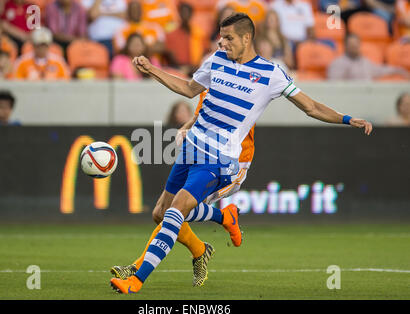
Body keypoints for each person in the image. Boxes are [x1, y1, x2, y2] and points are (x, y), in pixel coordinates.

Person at [110, 13, 373, 294]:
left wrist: (346, 119)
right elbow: (188, 89)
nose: (223, 43)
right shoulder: (216, 59)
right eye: (221, 37)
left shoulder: (271, 74)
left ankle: (136, 280)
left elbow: (310, 106)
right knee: (161, 212)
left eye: (229, 38)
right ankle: (221, 222)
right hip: (191, 148)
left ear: (247, 38)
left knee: (176, 211)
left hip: (218, 159)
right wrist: (151, 69)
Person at [111, 89, 256, 287]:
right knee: (160, 213)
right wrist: (185, 128)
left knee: (176, 210)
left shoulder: (248, 83)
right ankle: (204, 244)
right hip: (200, 154)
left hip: (231, 163)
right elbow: (199, 116)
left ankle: (137, 270)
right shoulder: (214, 78)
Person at [327, 33, 410, 80]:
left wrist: (399, 70)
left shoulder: (365, 62)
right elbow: (335, 86)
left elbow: (381, 70)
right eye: (351, 45)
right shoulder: (337, 64)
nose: (354, 48)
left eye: (356, 45)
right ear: (345, 45)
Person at [164, 2, 206, 76]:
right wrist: (184, 69)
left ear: (191, 14)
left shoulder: (199, 33)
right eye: (183, 13)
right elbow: (171, 56)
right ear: (179, 14)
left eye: (187, 13)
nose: (185, 15)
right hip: (178, 70)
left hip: (196, 69)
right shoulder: (171, 34)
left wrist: (194, 67)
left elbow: (204, 53)